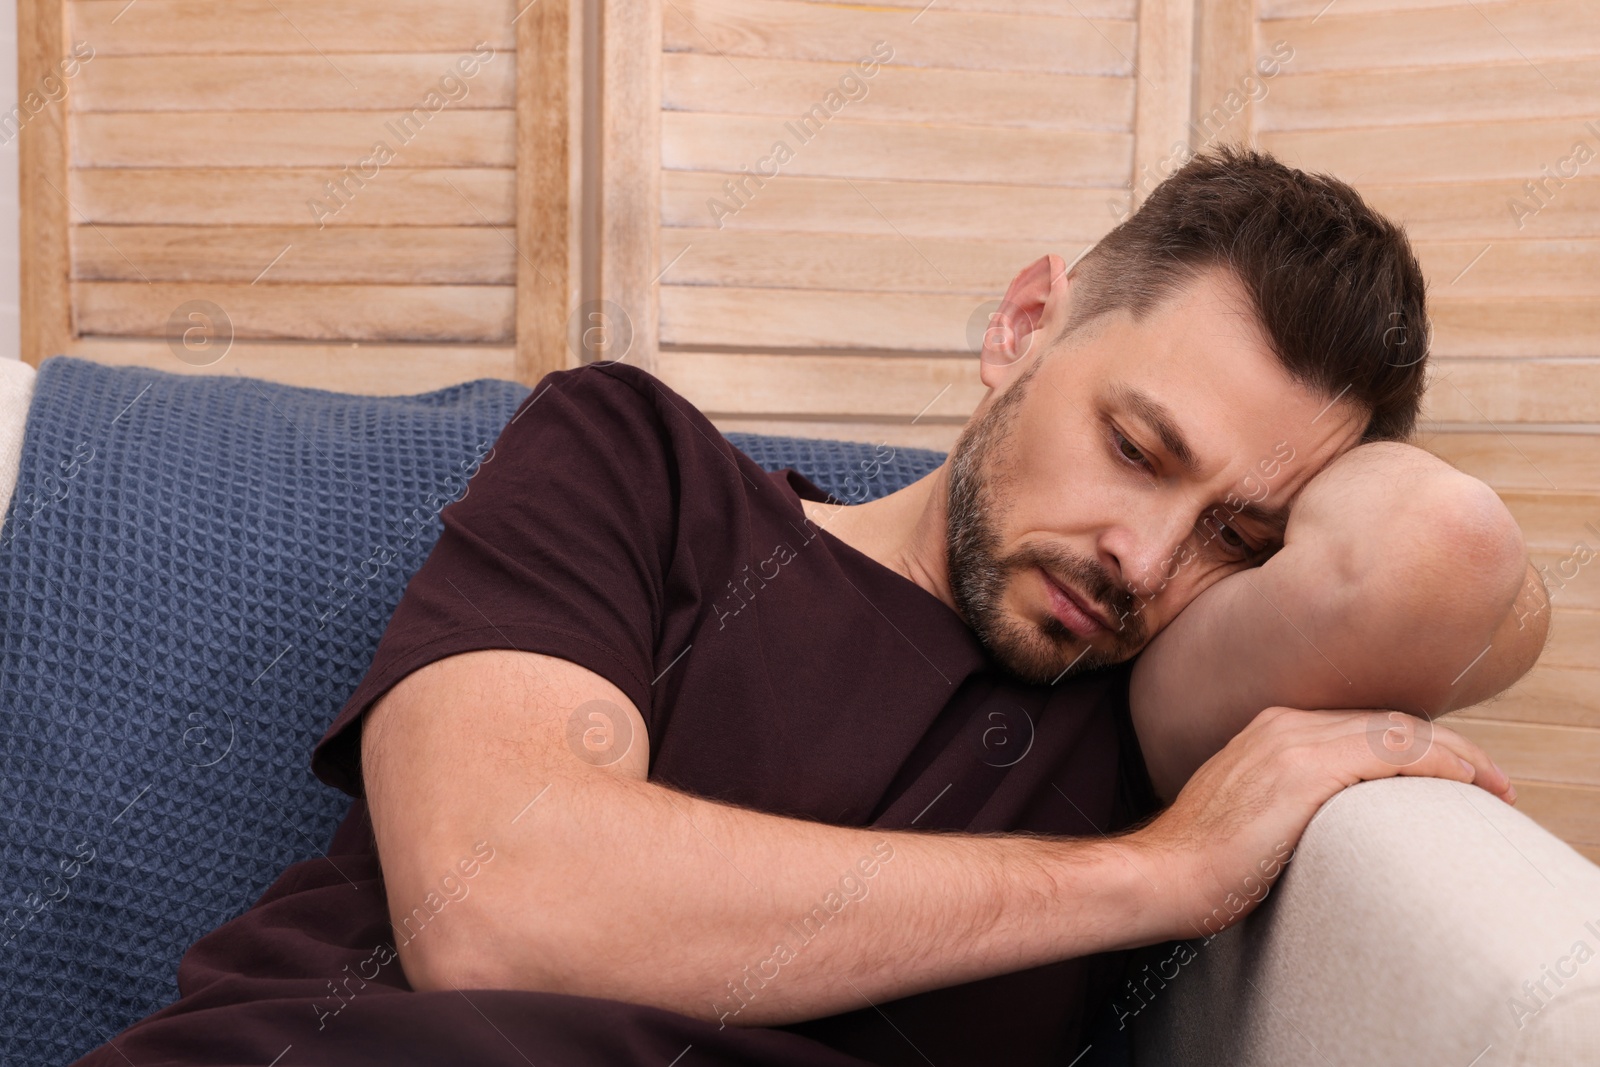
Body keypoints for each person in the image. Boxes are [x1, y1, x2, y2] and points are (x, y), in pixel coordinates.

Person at [73, 147, 1546, 1067]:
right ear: (1027, 326)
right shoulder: (639, 467)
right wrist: (1156, 878)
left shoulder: (1149, 711)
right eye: (1136, 447)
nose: (1145, 562)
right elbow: (500, 905)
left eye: (1238, 529)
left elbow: (1443, 550)